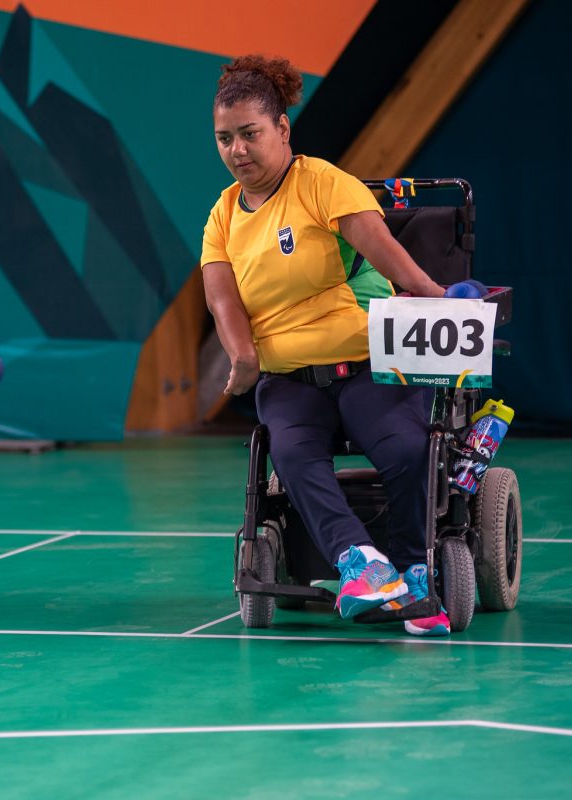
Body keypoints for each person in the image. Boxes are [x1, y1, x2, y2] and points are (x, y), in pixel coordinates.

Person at [200, 54, 451, 636]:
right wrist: (242, 357)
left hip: (363, 362)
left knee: (409, 452)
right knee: (292, 456)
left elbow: (385, 248)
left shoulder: (320, 182)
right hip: (289, 378)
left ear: (282, 130)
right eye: (224, 138)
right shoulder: (222, 215)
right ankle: (360, 563)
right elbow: (222, 299)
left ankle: (415, 573)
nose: (238, 150)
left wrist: (437, 296)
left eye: (250, 135)